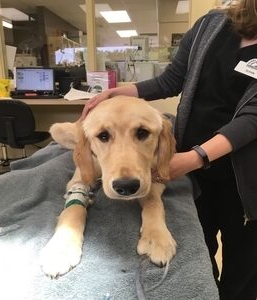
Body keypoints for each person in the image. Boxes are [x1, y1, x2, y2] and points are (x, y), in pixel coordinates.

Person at [81, 1, 257, 299]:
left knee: (242, 269)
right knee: (198, 255)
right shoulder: (211, 24)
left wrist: (194, 158)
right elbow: (171, 79)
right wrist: (120, 92)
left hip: (244, 178)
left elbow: (253, 118)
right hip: (191, 166)